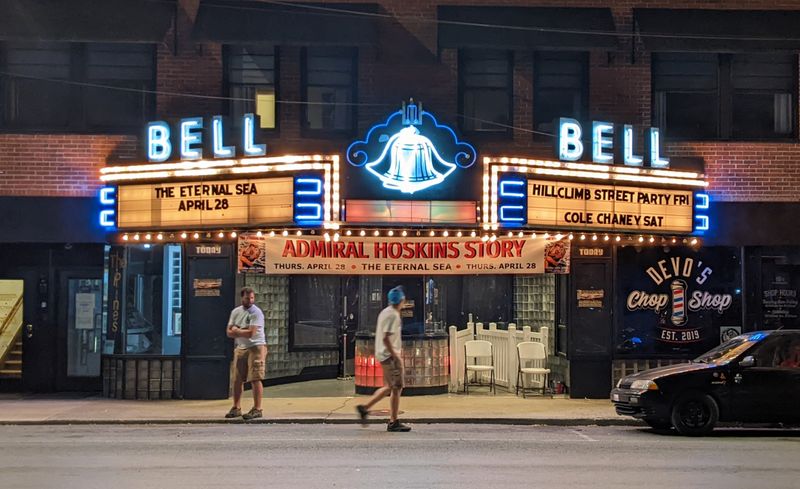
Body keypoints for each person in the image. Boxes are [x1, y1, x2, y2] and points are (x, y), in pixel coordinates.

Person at [356, 286, 411, 432]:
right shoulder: (393, 315)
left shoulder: (384, 312)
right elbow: (387, 337)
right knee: (397, 387)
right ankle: (393, 421)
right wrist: (395, 356)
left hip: (383, 354)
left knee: (389, 387)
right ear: (401, 300)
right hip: (389, 356)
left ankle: (365, 408)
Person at [224, 287, 267, 420]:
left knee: (255, 377)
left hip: (256, 347)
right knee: (237, 379)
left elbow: (251, 333)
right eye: (248, 298)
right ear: (242, 298)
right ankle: (236, 407)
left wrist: (237, 330)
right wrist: (240, 331)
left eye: (252, 298)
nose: (250, 301)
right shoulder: (235, 312)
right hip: (241, 348)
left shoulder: (256, 313)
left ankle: (257, 408)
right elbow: (228, 332)